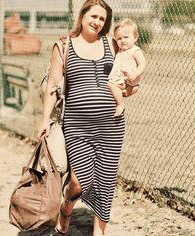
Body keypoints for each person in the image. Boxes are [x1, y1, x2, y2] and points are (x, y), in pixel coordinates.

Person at [37, 1, 125, 235]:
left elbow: (127, 78)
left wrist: (129, 86)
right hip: (77, 126)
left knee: (106, 181)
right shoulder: (64, 46)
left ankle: (99, 231)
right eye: (93, 16)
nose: (97, 22)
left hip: (111, 125)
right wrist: (45, 119)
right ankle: (66, 210)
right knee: (78, 182)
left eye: (102, 19)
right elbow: (53, 87)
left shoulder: (112, 45)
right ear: (82, 15)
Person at [108, 18, 146, 117]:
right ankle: (121, 94)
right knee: (113, 88)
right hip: (121, 79)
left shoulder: (135, 51)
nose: (123, 40)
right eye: (119, 38)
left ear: (135, 37)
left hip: (129, 79)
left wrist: (136, 73)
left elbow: (142, 64)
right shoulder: (119, 50)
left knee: (110, 84)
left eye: (126, 37)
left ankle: (120, 105)